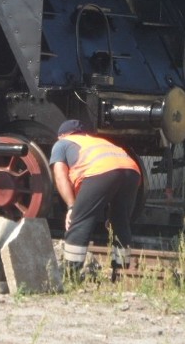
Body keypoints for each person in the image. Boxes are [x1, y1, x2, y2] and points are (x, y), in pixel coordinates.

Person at [49, 119, 141, 278]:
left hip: (101, 171)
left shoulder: (62, 143)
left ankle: (70, 274)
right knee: (120, 221)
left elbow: (60, 176)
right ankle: (120, 272)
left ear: (62, 135)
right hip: (132, 171)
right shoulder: (97, 141)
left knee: (80, 221)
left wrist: (71, 207)